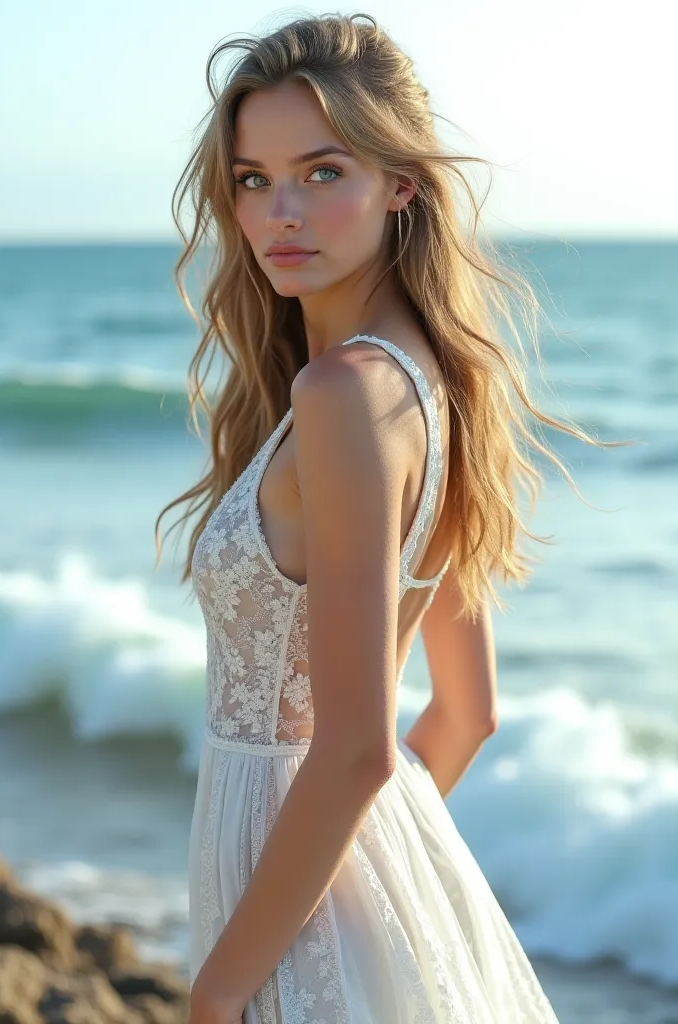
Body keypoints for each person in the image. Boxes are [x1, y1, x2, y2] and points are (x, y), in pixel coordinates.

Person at [154, 12, 612, 1023]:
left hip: (285, 891)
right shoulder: (424, 386)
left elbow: (360, 744)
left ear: (398, 182)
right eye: (252, 178)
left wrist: (223, 985)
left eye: (323, 172)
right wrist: (378, 887)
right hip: (333, 887)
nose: (281, 211)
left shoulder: (343, 395)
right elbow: (464, 714)